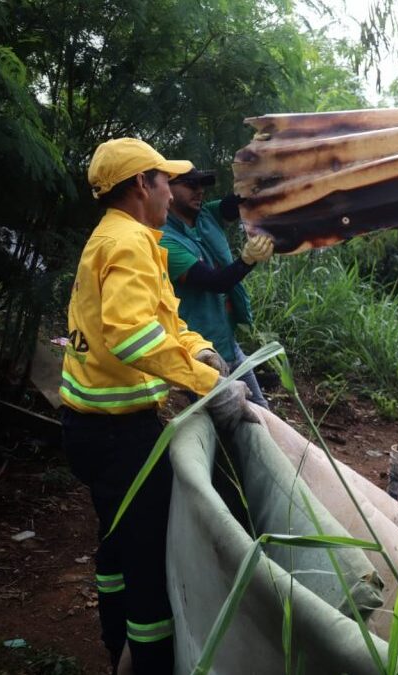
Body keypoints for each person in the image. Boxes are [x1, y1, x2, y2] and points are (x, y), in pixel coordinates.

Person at [59, 138, 256, 674]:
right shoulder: (128, 244)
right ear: (142, 185)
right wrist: (209, 385)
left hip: (89, 427)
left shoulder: (121, 237)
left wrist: (202, 351)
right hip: (119, 435)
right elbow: (132, 338)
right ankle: (149, 659)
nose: (172, 190)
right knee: (149, 559)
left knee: (116, 543)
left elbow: (162, 324)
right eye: (166, 179)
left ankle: (111, 636)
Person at [160, 168, 274, 408]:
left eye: (202, 184)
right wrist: (247, 260)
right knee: (224, 419)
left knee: (261, 410)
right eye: (190, 184)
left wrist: (263, 158)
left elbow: (244, 200)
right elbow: (215, 282)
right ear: (166, 188)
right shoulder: (164, 240)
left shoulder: (206, 214)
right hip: (198, 350)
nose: (199, 190)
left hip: (226, 340)